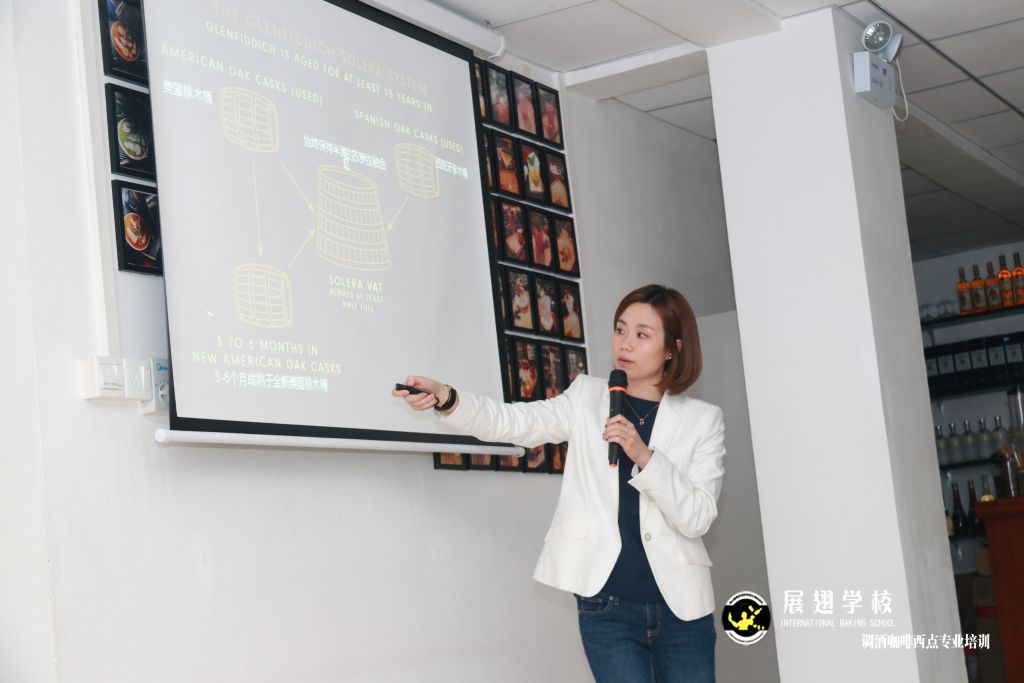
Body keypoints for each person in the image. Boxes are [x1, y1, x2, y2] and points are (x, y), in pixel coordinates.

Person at [392, 284, 724, 683]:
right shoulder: (586, 397)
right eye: (620, 329)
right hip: (607, 607)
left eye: (642, 334)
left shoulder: (703, 420)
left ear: (672, 348)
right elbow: (513, 422)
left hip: (682, 610)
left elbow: (698, 518)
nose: (625, 343)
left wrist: (644, 456)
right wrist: (448, 398)